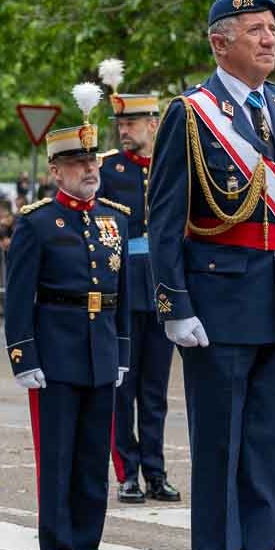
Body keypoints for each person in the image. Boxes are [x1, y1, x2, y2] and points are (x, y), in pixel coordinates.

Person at [147, 0, 275, 550]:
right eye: (255, 29)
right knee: (220, 447)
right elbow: (166, 217)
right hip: (218, 301)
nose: (269, 38)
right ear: (220, 42)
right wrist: (175, 303)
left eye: (273, 28)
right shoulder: (192, 113)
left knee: (265, 448)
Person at [4, 106, 131, 550]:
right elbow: (19, 297)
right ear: (56, 170)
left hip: (100, 350)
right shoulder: (39, 223)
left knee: (93, 458)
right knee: (57, 458)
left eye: (93, 160)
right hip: (55, 353)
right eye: (78, 163)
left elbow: (123, 293)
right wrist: (23, 355)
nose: (90, 170)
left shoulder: (114, 220)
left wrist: (121, 350)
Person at [100, 85, 181, 504]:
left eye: (130, 124)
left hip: (160, 289)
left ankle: (156, 472)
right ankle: (126, 473)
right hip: (122, 288)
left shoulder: (170, 165)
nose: (123, 132)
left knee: (155, 391)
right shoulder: (107, 170)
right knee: (123, 388)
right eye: (120, 125)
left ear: (153, 124)